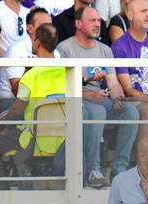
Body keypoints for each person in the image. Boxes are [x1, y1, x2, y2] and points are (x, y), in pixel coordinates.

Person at [57, 6, 138, 187]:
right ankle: (93, 169)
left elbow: (114, 83)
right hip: (77, 100)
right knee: (98, 111)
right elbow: (62, 86)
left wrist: (118, 97)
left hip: (99, 99)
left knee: (130, 113)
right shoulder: (64, 48)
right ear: (78, 23)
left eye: (99, 21)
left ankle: (119, 169)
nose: (98, 24)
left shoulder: (104, 49)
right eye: (92, 21)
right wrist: (90, 95)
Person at [0, 23, 65, 191]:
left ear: (37, 42)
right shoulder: (68, 70)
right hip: (63, 138)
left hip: (33, 138)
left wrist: (2, 123)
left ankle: (1, 195)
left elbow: (16, 109)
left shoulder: (30, 75)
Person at [0, 7, 55, 100]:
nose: (48, 29)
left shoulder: (55, 52)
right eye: (44, 25)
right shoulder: (15, 50)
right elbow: (18, 93)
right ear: (30, 28)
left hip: (42, 100)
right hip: (10, 102)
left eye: (50, 25)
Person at [112, 0, 148, 143]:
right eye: (143, 11)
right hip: (134, 101)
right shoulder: (119, 46)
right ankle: (143, 162)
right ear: (130, 15)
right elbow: (128, 90)